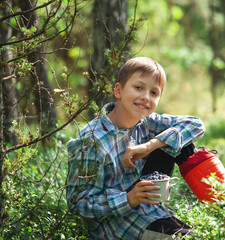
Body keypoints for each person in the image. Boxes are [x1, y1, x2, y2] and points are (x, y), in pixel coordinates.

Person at [66, 57, 205, 240]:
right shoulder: (91, 141)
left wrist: (150, 146)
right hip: (115, 224)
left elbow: (195, 125)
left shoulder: (146, 122)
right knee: (188, 237)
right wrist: (129, 198)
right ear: (118, 90)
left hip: (148, 206)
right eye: (138, 88)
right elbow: (77, 202)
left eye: (154, 93)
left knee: (180, 139)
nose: (146, 97)